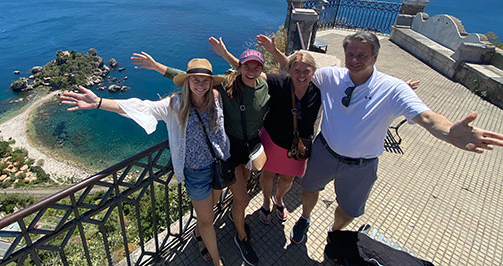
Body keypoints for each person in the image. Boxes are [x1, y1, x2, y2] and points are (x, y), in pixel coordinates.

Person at [265, 30, 503, 245]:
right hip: (325, 153)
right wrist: (275, 52)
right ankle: (305, 218)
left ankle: (334, 230)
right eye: (351, 54)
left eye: (363, 55)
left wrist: (449, 132)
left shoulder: (393, 88)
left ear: (375, 57)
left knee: (348, 210)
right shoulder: (330, 76)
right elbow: (296, 70)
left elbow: (426, 117)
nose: (355, 60)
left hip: (361, 166)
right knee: (309, 189)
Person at [60, 58, 228, 266]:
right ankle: (216, 260)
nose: (200, 85)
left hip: (219, 166)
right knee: (207, 220)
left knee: (209, 212)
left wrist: (159, 66)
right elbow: (142, 107)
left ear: (211, 83)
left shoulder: (215, 97)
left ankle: (198, 234)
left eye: (205, 80)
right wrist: (100, 103)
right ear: (187, 81)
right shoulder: (175, 105)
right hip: (196, 173)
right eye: (195, 80)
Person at [131, 50, 269, 265]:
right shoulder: (219, 90)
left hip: (230, 157)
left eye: (256, 67)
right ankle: (230, 243)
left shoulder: (252, 88)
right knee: (221, 208)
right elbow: (188, 82)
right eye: (246, 66)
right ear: (239, 67)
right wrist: (157, 66)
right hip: (216, 162)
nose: (251, 71)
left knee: (215, 207)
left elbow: (198, 80)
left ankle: (202, 233)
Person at [208, 35, 321, 224]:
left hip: (299, 146)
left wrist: (273, 51)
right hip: (273, 140)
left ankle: (279, 199)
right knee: (267, 175)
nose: (301, 74)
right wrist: (225, 54)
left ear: (313, 72)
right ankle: (267, 201)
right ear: (289, 70)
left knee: (287, 179)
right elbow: (248, 71)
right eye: (296, 70)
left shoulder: (318, 90)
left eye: (306, 71)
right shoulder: (279, 83)